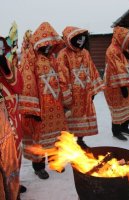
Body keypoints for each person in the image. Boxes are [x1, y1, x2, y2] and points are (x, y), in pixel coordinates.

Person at [19, 22, 69, 179]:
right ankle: (39, 166)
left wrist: (66, 99)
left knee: (56, 137)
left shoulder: (52, 58)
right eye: (46, 44)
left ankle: (55, 161)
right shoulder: (29, 58)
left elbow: (61, 78)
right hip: (40, 106)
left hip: (56, 106)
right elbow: (27, 84)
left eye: (51, 44)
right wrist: (31, 110)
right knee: (38, 139)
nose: (49, 47)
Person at [57, 26, 104, 149]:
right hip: (72, 95)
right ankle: (66, 146)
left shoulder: (85, 53)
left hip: (85, 93)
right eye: (78, 39)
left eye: (83, 39)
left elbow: (92, 70)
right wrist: (66, 96)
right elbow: (62, 77)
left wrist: (93, 91)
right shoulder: (63, 55)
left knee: (83, 118)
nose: (81, 41)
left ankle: (80, 140)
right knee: (70, 121)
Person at [103, 26, 129, 141]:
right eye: (126, 39)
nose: (128, 42)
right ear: (120, 38)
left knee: (128, 106)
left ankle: (125, 127)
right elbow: (117, 69)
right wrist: (122, 85)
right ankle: (116, 131)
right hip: (115, 85)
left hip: (127, 83)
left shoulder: (124, 50)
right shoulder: (111, 50)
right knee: (117, 108)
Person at [0, 37, 20, 200]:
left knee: (12, 154)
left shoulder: (5, 62)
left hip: (10, 115)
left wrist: (5, 67)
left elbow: (17, 85)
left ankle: (13, 188)